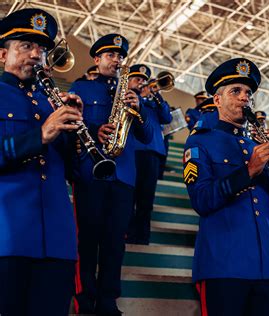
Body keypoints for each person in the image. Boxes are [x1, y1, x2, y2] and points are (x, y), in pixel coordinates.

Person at [184, 58, 269, 316]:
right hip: (224, 266)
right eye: (235, 91)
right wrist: (249, 170)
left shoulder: (257, 145)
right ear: (217, 100)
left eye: (248, 93)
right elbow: (202, 201)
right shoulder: (200, 143)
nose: (245, 98)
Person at [0, 8, 83, 315]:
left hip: (57, 240)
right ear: (1, 54)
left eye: (42, 48)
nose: (36, 54)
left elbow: (78, 174)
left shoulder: (52, 102)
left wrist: (77, 134)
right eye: (26, 45)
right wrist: (42, 134)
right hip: (8, 238)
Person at [69, 34, 153, 315]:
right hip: (90, 173)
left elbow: (148, 135)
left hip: (123, 176)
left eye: (119, 56)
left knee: (115, 242)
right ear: (97, 59)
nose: (116, 60)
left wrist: (139, 109)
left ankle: (108, 300)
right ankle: (84, 299)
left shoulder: (133, 93)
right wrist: (95, 130)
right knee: (88, 239)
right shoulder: (81, 87)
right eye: (110, 55)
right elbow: (71, 123)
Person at [127, 64, 172, 245]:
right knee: (129, 197)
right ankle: (127, 233)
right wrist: (140, 98)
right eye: (137, 79)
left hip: (152, 153)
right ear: (129, 81)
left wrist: (157, 96)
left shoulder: (155, 101)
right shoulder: (128, 97)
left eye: (144, 80)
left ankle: (142, 236)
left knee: (146, 199)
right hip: (132, 151)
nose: (142, 82)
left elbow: (167, 118)